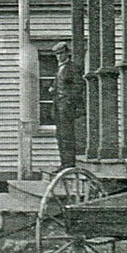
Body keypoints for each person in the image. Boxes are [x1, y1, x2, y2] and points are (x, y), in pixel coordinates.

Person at [50, 41, 83, 169]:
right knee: (60, 136)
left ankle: (69, 163)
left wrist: (69, 102)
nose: (59, 56)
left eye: (61, 53)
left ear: (67, 53)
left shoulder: (73, 68)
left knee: (67, 136)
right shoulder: (59, 68)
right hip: (58, 108)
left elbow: (78, 87)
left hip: (67, 108)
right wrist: (53, 88)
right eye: (57, 54)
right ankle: (64, 163)